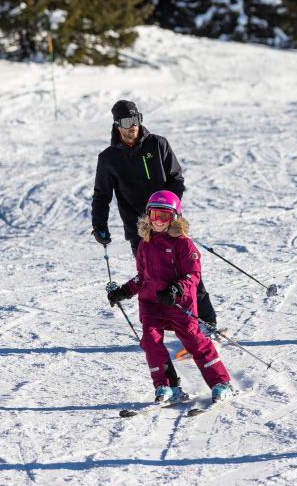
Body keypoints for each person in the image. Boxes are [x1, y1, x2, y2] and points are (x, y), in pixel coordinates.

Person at [91, 100, 221, 386]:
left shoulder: (157, 145)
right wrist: (99, 224)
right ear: (116, 125)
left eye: (134, 120)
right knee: (151, 281)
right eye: (124, 123)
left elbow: (176, 177)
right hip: (141, 230)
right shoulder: (109, 158)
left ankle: (206, 325)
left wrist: (168, 207)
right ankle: (162, 334)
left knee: (187, 276)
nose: (131, 127)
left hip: (169, 223)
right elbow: (102, 195)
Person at [106, 191, 234, 403]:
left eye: (164, 216)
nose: (158, 221)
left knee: (194, 341)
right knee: (150, 341)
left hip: (179, 304)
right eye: (154, 215)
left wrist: (176, 290)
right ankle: (167, 386)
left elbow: (193, 275)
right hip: (151, 304)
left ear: (174, 218)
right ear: (147, 215)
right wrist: (124, 291)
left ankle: (221, 382)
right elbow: (143, 277)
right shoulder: (145, 244)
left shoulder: (184, 244)